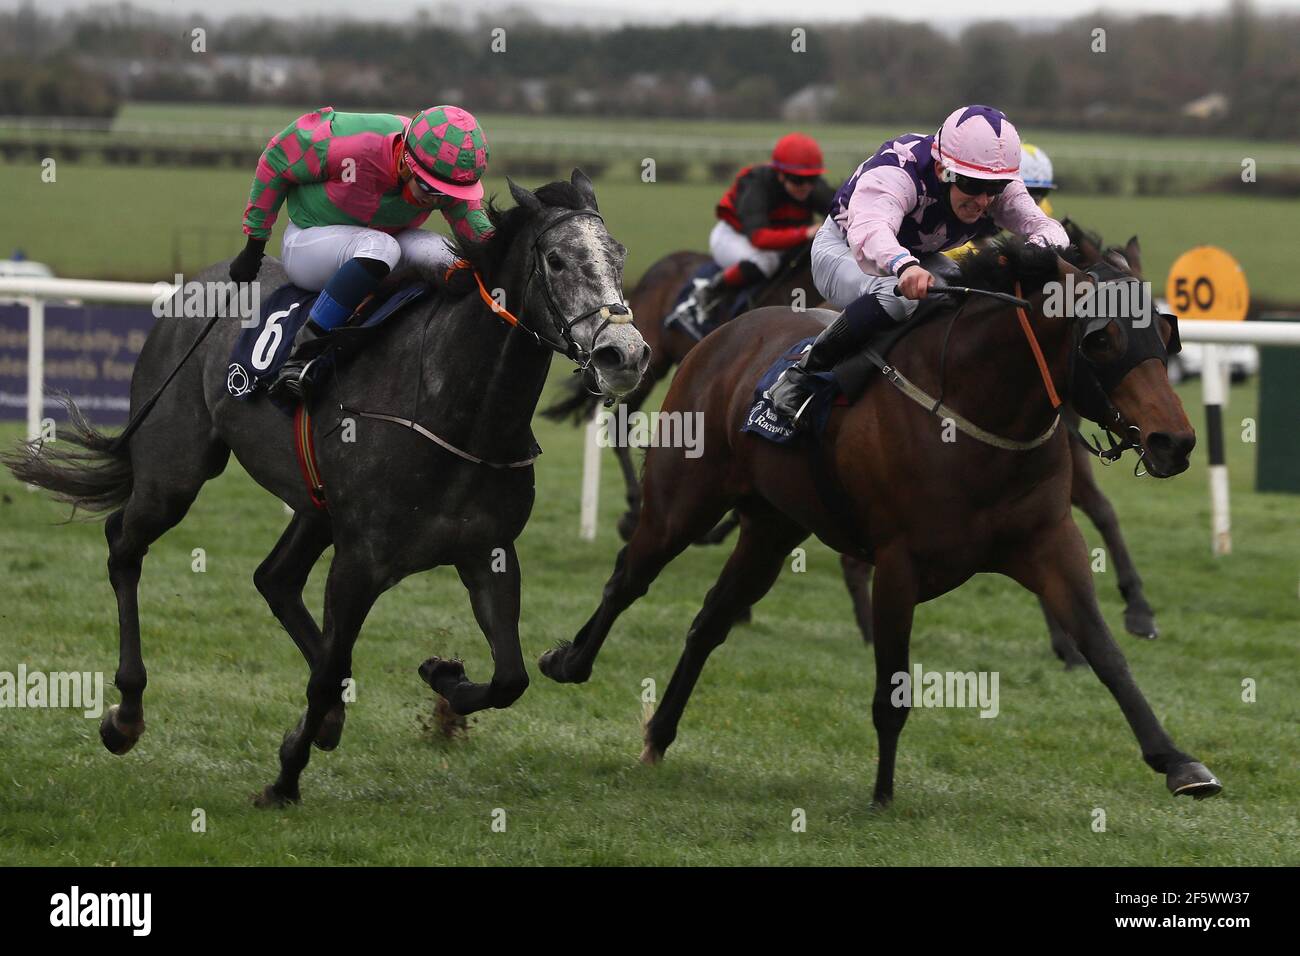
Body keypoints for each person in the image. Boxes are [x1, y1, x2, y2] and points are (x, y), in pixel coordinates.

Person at [767, 105, 1069, 423]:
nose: (982, 200)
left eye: (993, 189)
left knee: (968, 295)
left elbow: (1051, 231)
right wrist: (904, 266)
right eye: (971, 186)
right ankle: (801, 375)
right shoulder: (898, 170)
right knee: (897, 296)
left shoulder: (994, 185)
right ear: (943, 171)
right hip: (845, 250)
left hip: (916, 256)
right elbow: (872, 231)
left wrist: (1025, 260)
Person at [228, 105, 492, 399]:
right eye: (430, 188)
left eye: (447, 194)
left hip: (381, 242)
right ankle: (304, 352)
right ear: (406, 161)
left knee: (450, 258)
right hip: (310, 240)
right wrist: (254, 246)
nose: (436, 199)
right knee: (383, 248)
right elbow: (275, 160)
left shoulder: (441, 173)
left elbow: (481, 236)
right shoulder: (345, 143)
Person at [675, 133, 834, 334]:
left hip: (776, 239)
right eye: (797, 180)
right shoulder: (756, 185)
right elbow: (759, 238)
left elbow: (840, 212)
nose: (806, 187)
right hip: (734, 237)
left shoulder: (812, 188)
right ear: (780, 174)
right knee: (767, 260)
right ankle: (709, 291)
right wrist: (805, 233)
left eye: (812, 179)